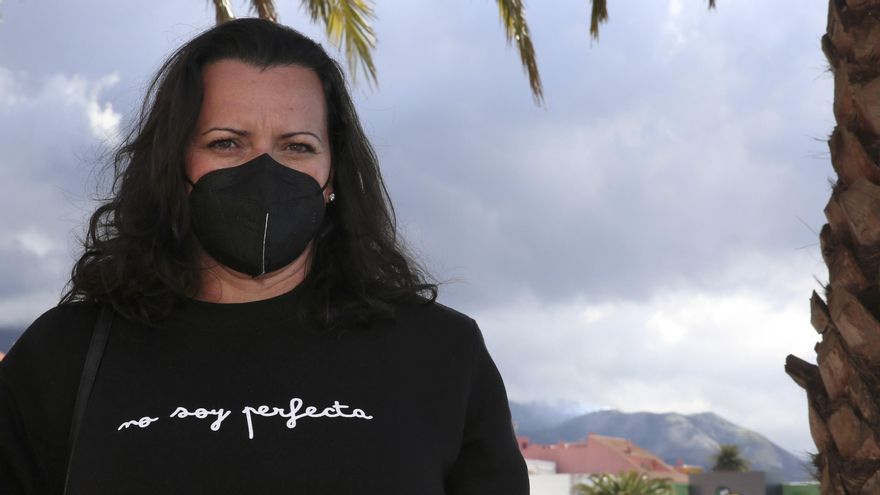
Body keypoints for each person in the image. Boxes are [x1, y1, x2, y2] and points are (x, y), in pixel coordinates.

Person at [0, 18, 529, 495]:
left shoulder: (440, 354)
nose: (264, 172)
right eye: (227, 143)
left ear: (332, 176)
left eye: (297, 146)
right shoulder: (64, 355)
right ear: (174, 164)